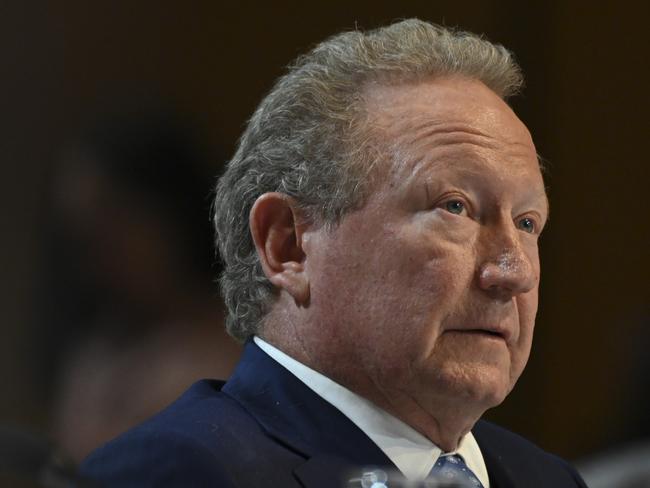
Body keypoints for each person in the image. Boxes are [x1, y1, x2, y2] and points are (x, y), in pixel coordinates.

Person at [80, 19, 589, 487]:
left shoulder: (547, 479)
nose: (513, 271)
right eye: (454, 207)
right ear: (288, 245)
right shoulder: (178, 473)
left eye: (527, 223)